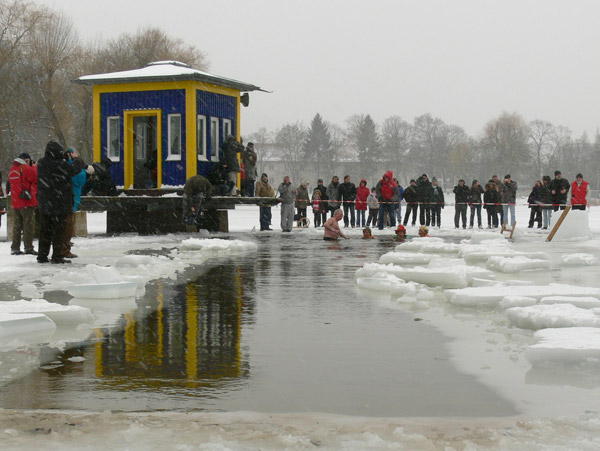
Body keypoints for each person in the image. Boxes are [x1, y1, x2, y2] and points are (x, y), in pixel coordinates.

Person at [36, 140, 85, 264]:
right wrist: (76, 159)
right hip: (60, 204)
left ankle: (42, 255)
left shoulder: (42, 163)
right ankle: (57, 255)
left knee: (45, 231)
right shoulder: (61, 165)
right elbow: (74, 169)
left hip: (45, 204)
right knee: (59, 231)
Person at [63, 148, 91, 259]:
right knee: (68, 222)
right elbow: (79, 181)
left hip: (71, 195)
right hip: (72, 195)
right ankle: (65, 245)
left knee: (67, 221)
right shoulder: (72, 168)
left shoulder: (67, 166)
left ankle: (64, 244)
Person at [7, 152, 38, 255]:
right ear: (26, 160)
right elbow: (35, 177)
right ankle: (28, 247)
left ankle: (15, 247)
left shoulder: (12, 169)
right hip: (26, 201)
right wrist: (34, 167)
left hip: (16, 201)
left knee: (17, 225)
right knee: (28, 225)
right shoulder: (25, 168)